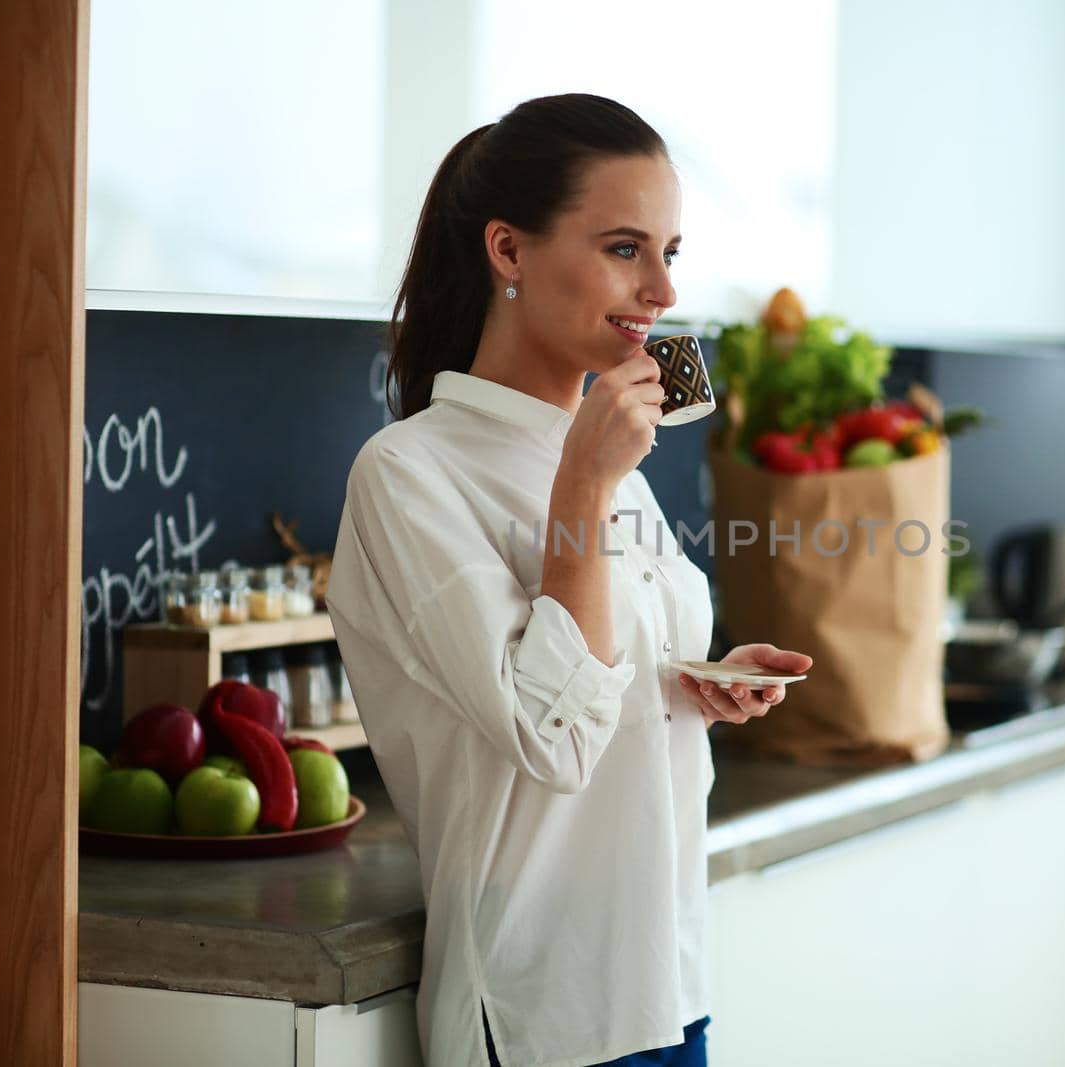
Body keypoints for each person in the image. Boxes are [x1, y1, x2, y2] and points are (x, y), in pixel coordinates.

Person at [325, 93, 811, 1067]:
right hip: (545, 1010)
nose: (662, 290)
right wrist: (582, 484)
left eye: (671, 252)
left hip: (667, 982)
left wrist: (688, 684)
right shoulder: (410, 472)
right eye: (626, 248)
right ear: (508, 251)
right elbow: (553, 736)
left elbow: (594, 680)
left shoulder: (609, 458)